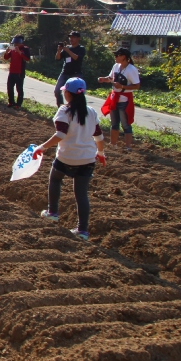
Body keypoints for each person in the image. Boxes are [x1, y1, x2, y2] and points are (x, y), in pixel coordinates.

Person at [33, 77, 105, 241]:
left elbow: (60, 134)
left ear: (68, 93)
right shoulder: (91, 112)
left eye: (65, 91)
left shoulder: (64, 111)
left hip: (67, 157)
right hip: (87, 159)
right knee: (81, 194)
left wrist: (42, 147)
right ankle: (82, 230)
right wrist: (100, 153)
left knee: (55, 179)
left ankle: (52, 212)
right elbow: (99, 137)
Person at [99, 47, 140, 151]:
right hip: (114, 97)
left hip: (124, 100)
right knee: (114, 123)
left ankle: (128, 146)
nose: (115, 57)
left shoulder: (131, 69)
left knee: (126, 124)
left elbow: (136, 85)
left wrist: (122, 86)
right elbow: (111, 78)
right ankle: (113, 144)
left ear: (124, 57)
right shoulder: (116, 66)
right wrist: (104, 79)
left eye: (117, 55)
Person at [54, 31, 86, 106]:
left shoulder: (81, 49)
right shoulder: (67, 48)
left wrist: (68, 51)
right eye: (70, 37)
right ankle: (61, 108)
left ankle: (77, 108)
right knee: (57, 91)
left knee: (78, 93)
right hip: (65, 73)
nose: (71, 39)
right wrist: (59, 51)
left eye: (73, 37)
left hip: (76, 74)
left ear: (78, 38)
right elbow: (58, 58)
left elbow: (77, 58)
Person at [3, 35, 31, 108]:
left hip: (19, 72)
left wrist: (19, 52)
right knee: (9, 87)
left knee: (19, 88)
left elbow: (27, 58)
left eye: (17, 43)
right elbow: (6, 57)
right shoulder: (12, 49)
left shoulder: (25, 49)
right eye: (14, 43)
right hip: (12, 71)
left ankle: (18, 104)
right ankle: (11, 102)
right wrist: (6, 52)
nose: (15, 44)